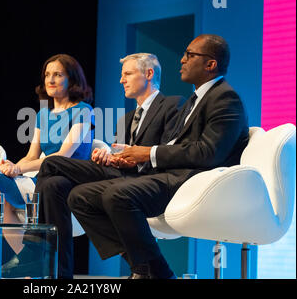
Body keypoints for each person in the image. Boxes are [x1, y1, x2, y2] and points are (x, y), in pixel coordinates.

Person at [67, 34, 249, 279]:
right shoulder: (195, 100)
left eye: (190, 55)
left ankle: (152, 271)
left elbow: (208, 152)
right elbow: (173, 144)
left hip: (192, 180)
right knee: (80, 196)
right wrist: (134, 158)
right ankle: (146, 268)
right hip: (169, 174)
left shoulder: (225, 98)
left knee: (117, 195)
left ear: (210, 64)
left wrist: (149, 153)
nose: (182, 60)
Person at [34, 53, 185, 278]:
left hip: (145, 180)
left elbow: (168, 151)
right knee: (53, 184)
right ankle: (60, 274)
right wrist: (107, 156)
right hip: (117, 174)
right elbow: (120, 155)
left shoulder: (172, 105)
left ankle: (36, 252)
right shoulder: (126, 119)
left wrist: (135, 157)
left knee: (53, 164)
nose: (121, 80)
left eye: (127, 74)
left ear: (149, 74)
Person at [0, 54, 94, 268]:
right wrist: (12, 168)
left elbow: (62, 157)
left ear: (72, 79)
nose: (50, 80)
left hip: (67, 177)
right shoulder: (43, 114)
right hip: (42, 175)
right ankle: (26, 257)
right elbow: (32, 156)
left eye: (58, 74)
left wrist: (19, 168)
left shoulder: (83, 111)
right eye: (47, 75)